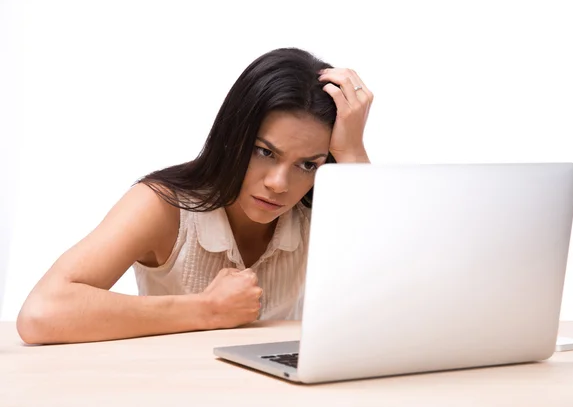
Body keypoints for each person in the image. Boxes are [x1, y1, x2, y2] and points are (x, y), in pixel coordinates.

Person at [16, 47, 374, 344]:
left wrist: (353, 152)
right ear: (232, 136)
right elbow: (42, 313)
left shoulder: (326, 210)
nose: (280, 184)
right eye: (265, 152)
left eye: (308, 165)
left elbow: (400, 298)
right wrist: (206, 309)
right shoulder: (161, 205)